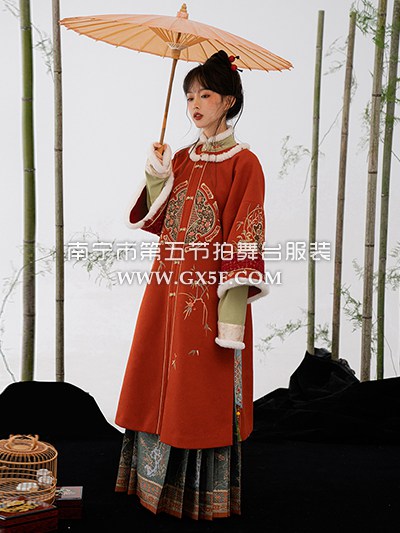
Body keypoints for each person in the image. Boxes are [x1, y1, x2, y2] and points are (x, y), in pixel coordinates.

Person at [114, 49, 269, 520]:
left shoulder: (246, 164)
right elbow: (160, 222)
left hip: (208, 297)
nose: (194, 105)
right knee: (156, 375)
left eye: (205, 95)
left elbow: (245, 238)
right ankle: (150, 483)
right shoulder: (181, 158)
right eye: (189, 97)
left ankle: (199, 495)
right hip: (166, 287)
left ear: (228, 101)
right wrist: (157, 175)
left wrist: (230, 317)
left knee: (199, 389)